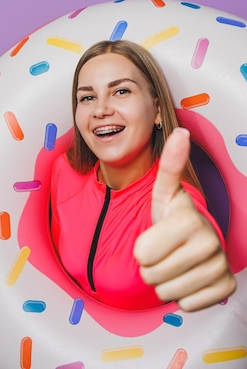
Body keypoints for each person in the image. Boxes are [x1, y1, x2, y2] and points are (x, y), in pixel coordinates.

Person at [50, 40, 235, 312]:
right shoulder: (64, 172)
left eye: (121, 91)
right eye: (87, 97)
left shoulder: (172, 200)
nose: (101, 110)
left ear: (157, 110)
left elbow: (190, 226)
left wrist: (200, 246)